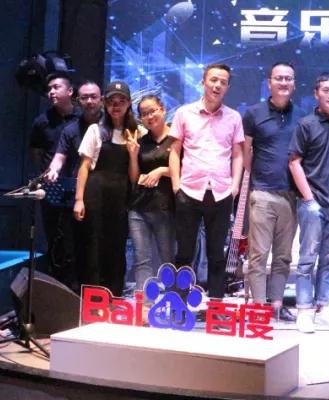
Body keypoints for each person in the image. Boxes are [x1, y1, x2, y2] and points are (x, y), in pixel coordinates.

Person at [169, 63, 245, 299]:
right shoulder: (184, 113)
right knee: (184, 252)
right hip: (189, 191)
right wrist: (176, 186)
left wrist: (234, 187)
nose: (217, 85)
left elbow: (238, 155)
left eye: (223, 82)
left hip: (221, 193)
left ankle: (216, 306)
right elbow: (174, 151)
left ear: (228, 87)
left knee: (216, 254)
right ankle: (179, 303)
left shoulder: (234, 117)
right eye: (213, 80)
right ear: (203, 82)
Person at [289, 71, 329, 333]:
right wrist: (309, 198)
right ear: (316, 94)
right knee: (307, 260)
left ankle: (323, 307)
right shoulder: (306, 124)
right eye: (326, 90)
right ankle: (304, 309)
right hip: (313, 204)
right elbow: (294, 162)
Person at [242, 61, 301, 323]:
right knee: (258, 256)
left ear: (294, 83)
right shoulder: (253, 114)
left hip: (290, 195)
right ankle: (258, 308)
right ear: (269, 83)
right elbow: (246, 153)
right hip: (263, 193)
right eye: (279, 78)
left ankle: (276, 306)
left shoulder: (302, 116)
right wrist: (259, 177)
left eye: (288, 78)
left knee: (283, 256)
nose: (284, 82)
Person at [74, 81, 141, 296]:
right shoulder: (95, 130)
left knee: (117, 244)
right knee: (93, 243)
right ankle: (93, 296)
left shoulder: (136, 132)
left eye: (121, 101)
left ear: (129, 104)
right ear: (105, 103)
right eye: (112, 101)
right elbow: (84, 166)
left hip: (121, 196)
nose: (116, 106)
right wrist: (79, 200)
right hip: (95, 193)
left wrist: (133, 154)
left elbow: (134, 178)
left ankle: (115, 294)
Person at [46, 79, 103, 290]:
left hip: (104, 193)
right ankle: (74, 293)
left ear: (101, 100)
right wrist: (53, 170)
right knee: (74, 247)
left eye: (93, 97)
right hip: (76, 193)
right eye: (85, 97)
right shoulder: (70, 130)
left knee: (101, 246)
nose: (89, 101)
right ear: (78, 100)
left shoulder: (111, 126)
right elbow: (59, 157)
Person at [29, 74, 80, 273]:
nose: (51, 92)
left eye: (56, 87)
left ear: (70, 91)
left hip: (78, 184)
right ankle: (56, 279)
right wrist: (45, 173)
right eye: (49, 88)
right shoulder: (42, 121)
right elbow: (36, 151)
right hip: (52, 185)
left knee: (76, 236)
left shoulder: (82, 118)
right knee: (53, 234)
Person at [128, 94, 176, 291]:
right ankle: (144, 302)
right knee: (142, 260)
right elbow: (134, 178)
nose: (149, 117)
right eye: (144, 114)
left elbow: (188, 171)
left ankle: (174, 301)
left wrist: (162, 171)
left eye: (152, 111)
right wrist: (132, 155)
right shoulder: (141, 142)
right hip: (139, 208)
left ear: (162, 109)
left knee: (168, 259)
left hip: (166, 208)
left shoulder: (176, 138)